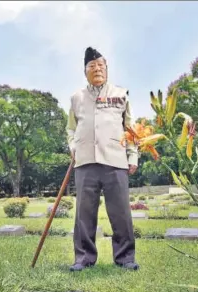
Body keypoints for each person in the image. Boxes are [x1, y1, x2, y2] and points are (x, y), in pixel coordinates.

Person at [66, 46, 140, 272]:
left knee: (121, 213)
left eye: (100, 66)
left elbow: (131, 129)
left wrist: (133, 155)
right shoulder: (77, 97)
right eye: (92, 66)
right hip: (85, 162)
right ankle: (83, 258)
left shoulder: (120, 94)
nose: (97, 69)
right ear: (85, 71)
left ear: (106, 69)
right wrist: (73, 147)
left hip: (115, 160)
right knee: (84, 214)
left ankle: (125, 258)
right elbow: (71, 128)